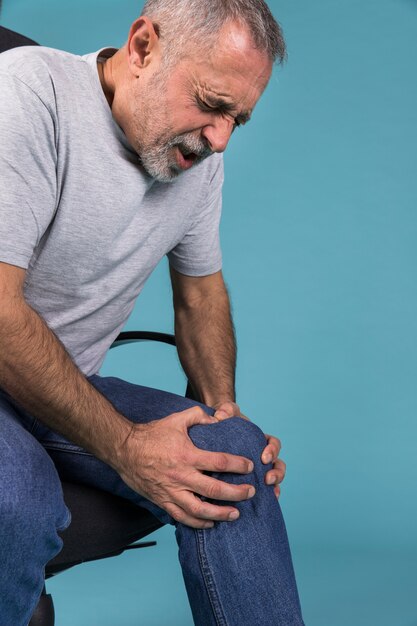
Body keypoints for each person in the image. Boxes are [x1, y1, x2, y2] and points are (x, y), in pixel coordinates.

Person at [0, 1, 305, 624]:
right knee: (17, 503)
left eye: (238, 121)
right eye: (213, 104)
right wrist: (127, 445)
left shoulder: (196, 162)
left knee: (232, 458)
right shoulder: (32, 93)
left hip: (61, 385)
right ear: (143, 47)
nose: (220, 139)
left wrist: (224, 410)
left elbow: (201, 294)